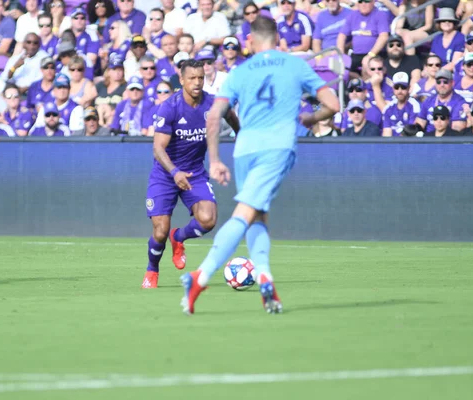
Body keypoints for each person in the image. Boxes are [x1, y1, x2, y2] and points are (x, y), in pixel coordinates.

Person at [179, 16, 339, 314]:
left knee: (257, 216)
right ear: (278, 40)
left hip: (244, 151)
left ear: (250, 41)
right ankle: (199, 276)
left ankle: (265, 277)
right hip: (275, 149)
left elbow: (214, 116)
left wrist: (214, 160)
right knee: (245, 213)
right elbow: (333, 104)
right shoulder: (295, 64)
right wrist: (310, 118)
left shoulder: (240, 72)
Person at [142, 59, 239, 289]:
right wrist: (175, 172)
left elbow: (231, 116)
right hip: (166, 175)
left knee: (208, 219)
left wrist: (241, 135)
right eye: (192, 78)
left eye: (200, 78)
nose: (197, 82)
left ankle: (179, 237)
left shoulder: (213, 104)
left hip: (195, 172)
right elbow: (157, 149)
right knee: (160, 231)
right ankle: (152, 269)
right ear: (182, 80)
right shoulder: (170, 107)